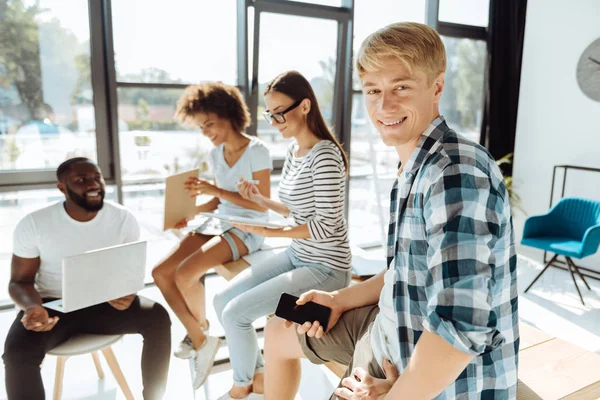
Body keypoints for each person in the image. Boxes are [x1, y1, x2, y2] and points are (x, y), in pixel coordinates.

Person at [263, 22, 519, 400]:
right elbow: (405, 270)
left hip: (441, 379)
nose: (385, 106)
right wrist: (337, 300)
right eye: (373, 90)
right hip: (390, 325)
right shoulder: (414, 164)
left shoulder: (454, 173)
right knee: (278, 328)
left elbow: (460, 328)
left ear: (436, 86)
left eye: (401, 87)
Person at [209, 70, 352, 400]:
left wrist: (267, 230)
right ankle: (258, 373)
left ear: (304, 106)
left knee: (235, 314)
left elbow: (327, 224)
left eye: (279, 113)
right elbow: (291, 208)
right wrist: (260, 200)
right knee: (221, 301)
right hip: (298, 254)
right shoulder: (294, 151)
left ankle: (242, 386)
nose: (273, 121)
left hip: (327, 267)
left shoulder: (325, 155)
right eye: (268, 114)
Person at [3, 157, 171, 400]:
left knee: (157, 317)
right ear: (62, 188)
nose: (93, 185)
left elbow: (129, 269)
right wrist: (32, 307)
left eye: (96, 178)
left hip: (105, 302)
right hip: (52, 308)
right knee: (17, 353)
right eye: (81, 180)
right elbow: (19, 281)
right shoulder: (34, 224)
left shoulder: (123, 218)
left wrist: (128, 292)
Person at [151, 82, 273, 389]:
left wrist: (215, 190)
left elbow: (261, 203)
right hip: (220, 221)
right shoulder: (216, 153)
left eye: (210, 124)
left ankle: (200, 335)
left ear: (229, 115)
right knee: (161, 273)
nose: (206, 132)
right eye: (201, 127)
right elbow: (218, 201)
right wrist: (190, 213)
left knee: (184, 274)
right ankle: (201, 336)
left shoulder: (257, 151)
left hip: (250, 227)